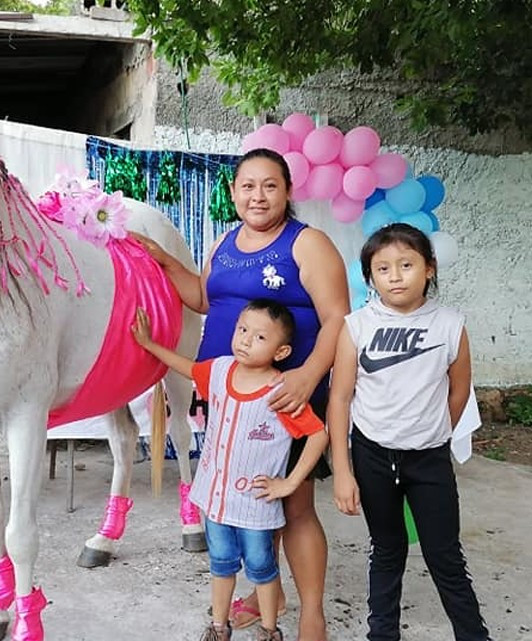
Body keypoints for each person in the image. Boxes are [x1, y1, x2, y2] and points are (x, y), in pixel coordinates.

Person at [134, 147, 348, 640]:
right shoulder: (225, 242)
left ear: (288, 192)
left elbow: (338, 316)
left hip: (285, 396)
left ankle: (312, 615)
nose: (258, 195)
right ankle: (266, 591)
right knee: (253, 502)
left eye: (270, 185)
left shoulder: (307, 243)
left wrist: (307, 376)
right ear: (233, 193)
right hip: (229, 397)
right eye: (247, 185)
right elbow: (205, 298)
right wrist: (164, 260)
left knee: (294, 505)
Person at [328, 223, 492, 641]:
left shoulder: (451, 325)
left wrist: (431, 433)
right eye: (382, 268)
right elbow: (341, 400)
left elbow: (458, 393)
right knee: (386, 550)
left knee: (445, 556)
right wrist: (344, 472)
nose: (395, 276)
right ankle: (382, 635)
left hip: (429, 459)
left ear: (430, 269)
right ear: (370, 277)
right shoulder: (356, 326)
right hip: (372, 457)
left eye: (406, 265)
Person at [132, 300, 329, 641]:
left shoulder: (281, 391)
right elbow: (187, 367)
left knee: (261, 568)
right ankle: (219, 627)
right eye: (242, 330)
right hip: (215, 499)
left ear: (281, 351)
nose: (245, 340)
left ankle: (269, 630)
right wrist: (150, 344)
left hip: (256, 507)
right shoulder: (220, 370)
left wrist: (290, 483)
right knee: (221, 564)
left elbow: (317, 434)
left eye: (259, 337)